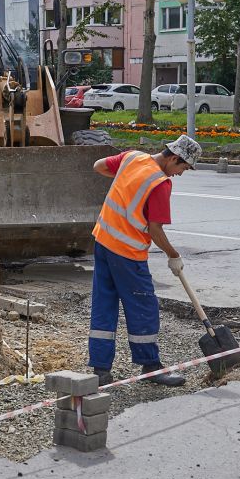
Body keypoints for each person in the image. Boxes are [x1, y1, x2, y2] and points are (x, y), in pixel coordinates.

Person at [87, 134, 201, 387]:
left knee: (104, 305)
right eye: (183, 167)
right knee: (143, 308)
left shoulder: (132, 157)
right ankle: (150, 367)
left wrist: (124, 183)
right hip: (127, 253)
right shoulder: (160, 183)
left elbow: (99, 166)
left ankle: (100, 370)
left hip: (102, 242)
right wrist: (174, 255)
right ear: (173, 158)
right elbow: (155, 230)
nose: (180, 174)